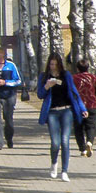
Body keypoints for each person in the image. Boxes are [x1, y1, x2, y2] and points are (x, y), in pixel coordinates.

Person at [37, 50, 88, 182]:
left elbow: (74, 92)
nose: (52, 67)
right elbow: (40, 94)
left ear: (59, 64)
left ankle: (64, 171)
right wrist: (47, 86)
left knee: (65, 141)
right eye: (51, 64)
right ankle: (54, 163)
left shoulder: (66, 76)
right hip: (52, 112)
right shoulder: (44, 76)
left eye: (55, 64)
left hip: (66, 111)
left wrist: (82, 108)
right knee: (55, 142)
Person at [72, 57, 96, 157]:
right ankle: (89, 141)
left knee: (78, 128)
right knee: (91, 126)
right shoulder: (92, 77)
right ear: (87, 68)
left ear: (77, 68)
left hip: (78, 106)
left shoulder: (74, 78)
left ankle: (82, 149)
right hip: (92, 105)